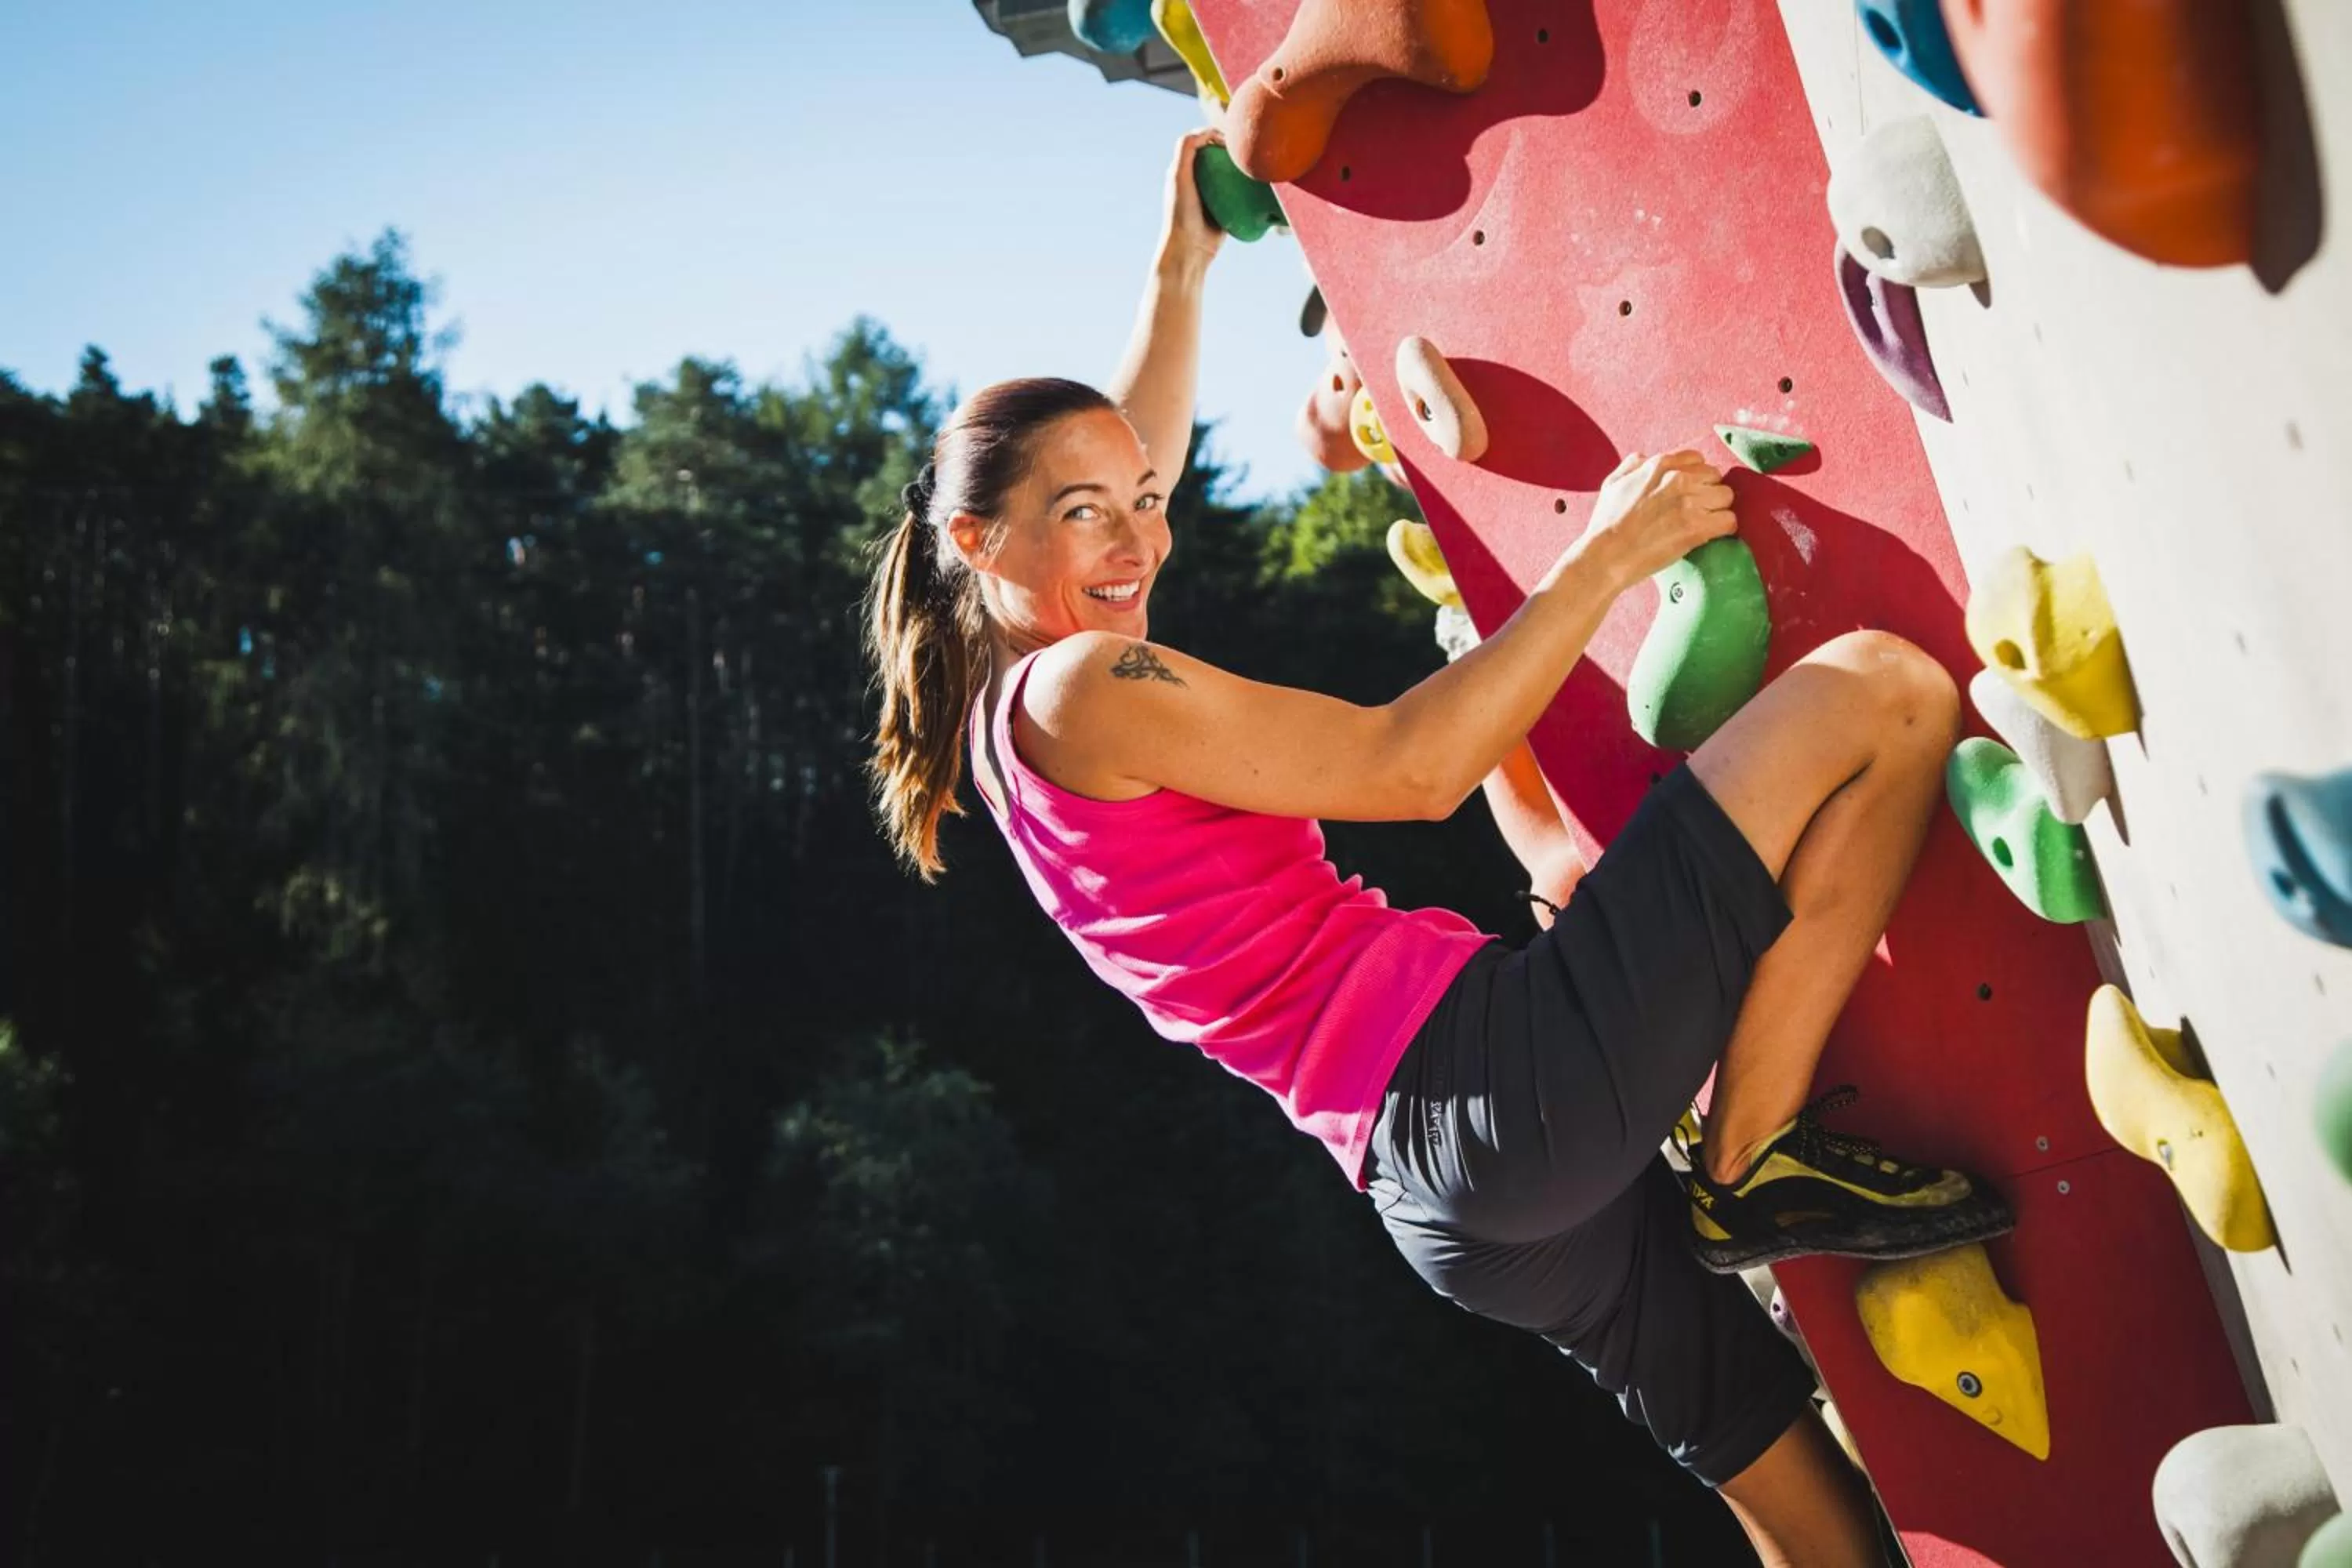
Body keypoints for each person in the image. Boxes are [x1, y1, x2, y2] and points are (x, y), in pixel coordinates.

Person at [862, 127, 2010, 1568]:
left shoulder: (1001, 725)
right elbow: (1411, 770)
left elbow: (1119, 464)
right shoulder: (1086, 685)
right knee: (1887, 694)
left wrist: (1182, 264)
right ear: (978, 544)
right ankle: (1755, 1147)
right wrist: (1612, 552)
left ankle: (1747, 1161)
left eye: (1144, 502)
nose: (1135, 541)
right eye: (1083, 515)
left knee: (1816, 1531)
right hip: (1488, 1082)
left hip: (1454, 1205)